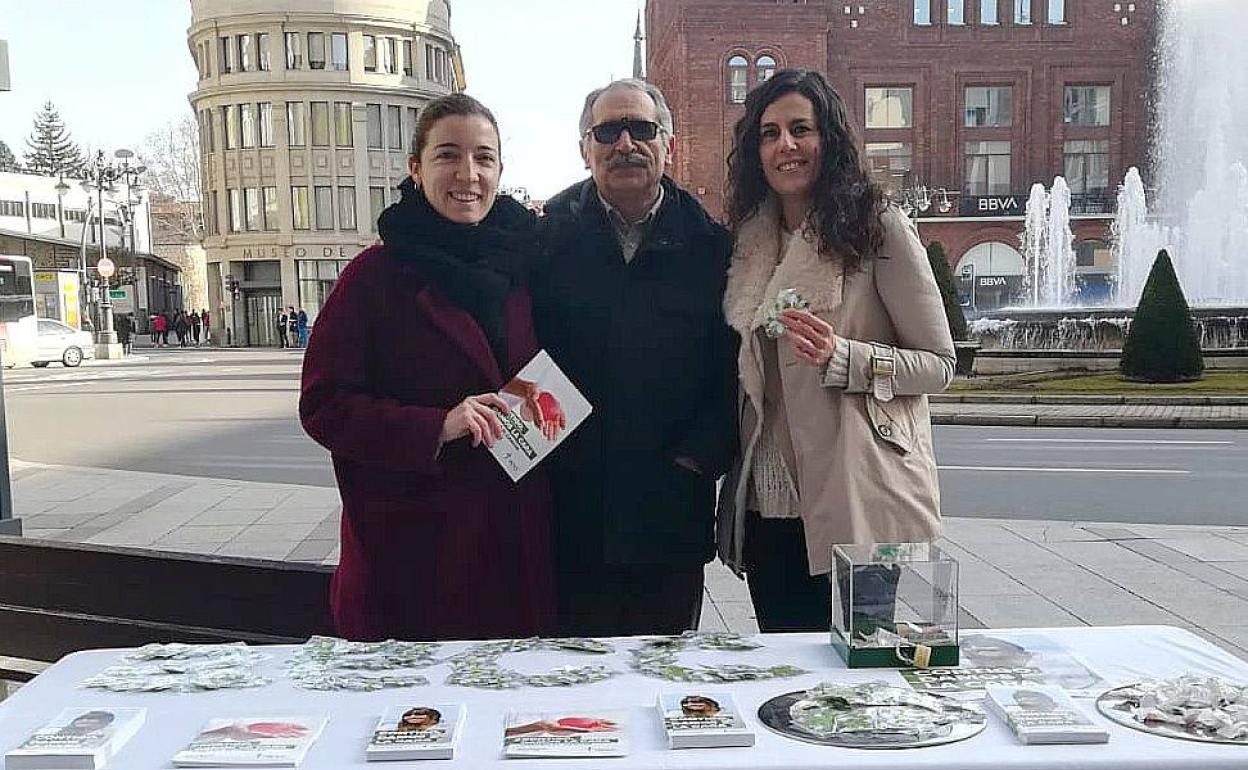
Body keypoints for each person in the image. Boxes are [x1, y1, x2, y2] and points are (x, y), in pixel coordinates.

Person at [300, 93, 555, 641]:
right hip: (413, 555)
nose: (468, 173)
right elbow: (325, 405)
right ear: (416, 169)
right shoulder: (374, 275)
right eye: (448, 155)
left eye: (484, 158)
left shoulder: (522, 265)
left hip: (514, 547)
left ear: (500, 170)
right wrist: (439, 424)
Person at [716, 70, 956, 632]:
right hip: (768, 501)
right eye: (770, 133)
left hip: (856, 498)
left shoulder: (877, 229)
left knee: (855, 680)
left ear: (831, 138)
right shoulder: (749, 242)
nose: (786, 146)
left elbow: (940, 365)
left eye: (801, 129)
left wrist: (845, 357)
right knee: (785, 670)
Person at [532, 79, 738, 637]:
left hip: (668, 511)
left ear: (667, 144)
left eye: (641, 129)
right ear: (585, 147)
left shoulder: (710, 246)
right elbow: (521, 350)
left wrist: (700, 457)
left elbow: (733, 367)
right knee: (577, 683)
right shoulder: (546, 239)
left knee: (663, 676)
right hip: (574, 511)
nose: (625, 143)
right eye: (607, 131)